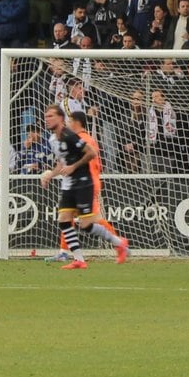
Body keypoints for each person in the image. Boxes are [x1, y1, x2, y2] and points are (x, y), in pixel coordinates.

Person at [41, 102, 129, 269]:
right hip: (68, 185)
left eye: (50, 116)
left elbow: (91, 153)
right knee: (64, 221)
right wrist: (50, 175)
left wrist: (74, 167)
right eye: (46, 116)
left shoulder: (70, 136)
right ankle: (79, 259)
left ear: (61, 118)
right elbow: (62, 163)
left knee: (86, 225)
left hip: (83, 183)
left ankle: (120, 243)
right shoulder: (52, 139)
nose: (47, 119)